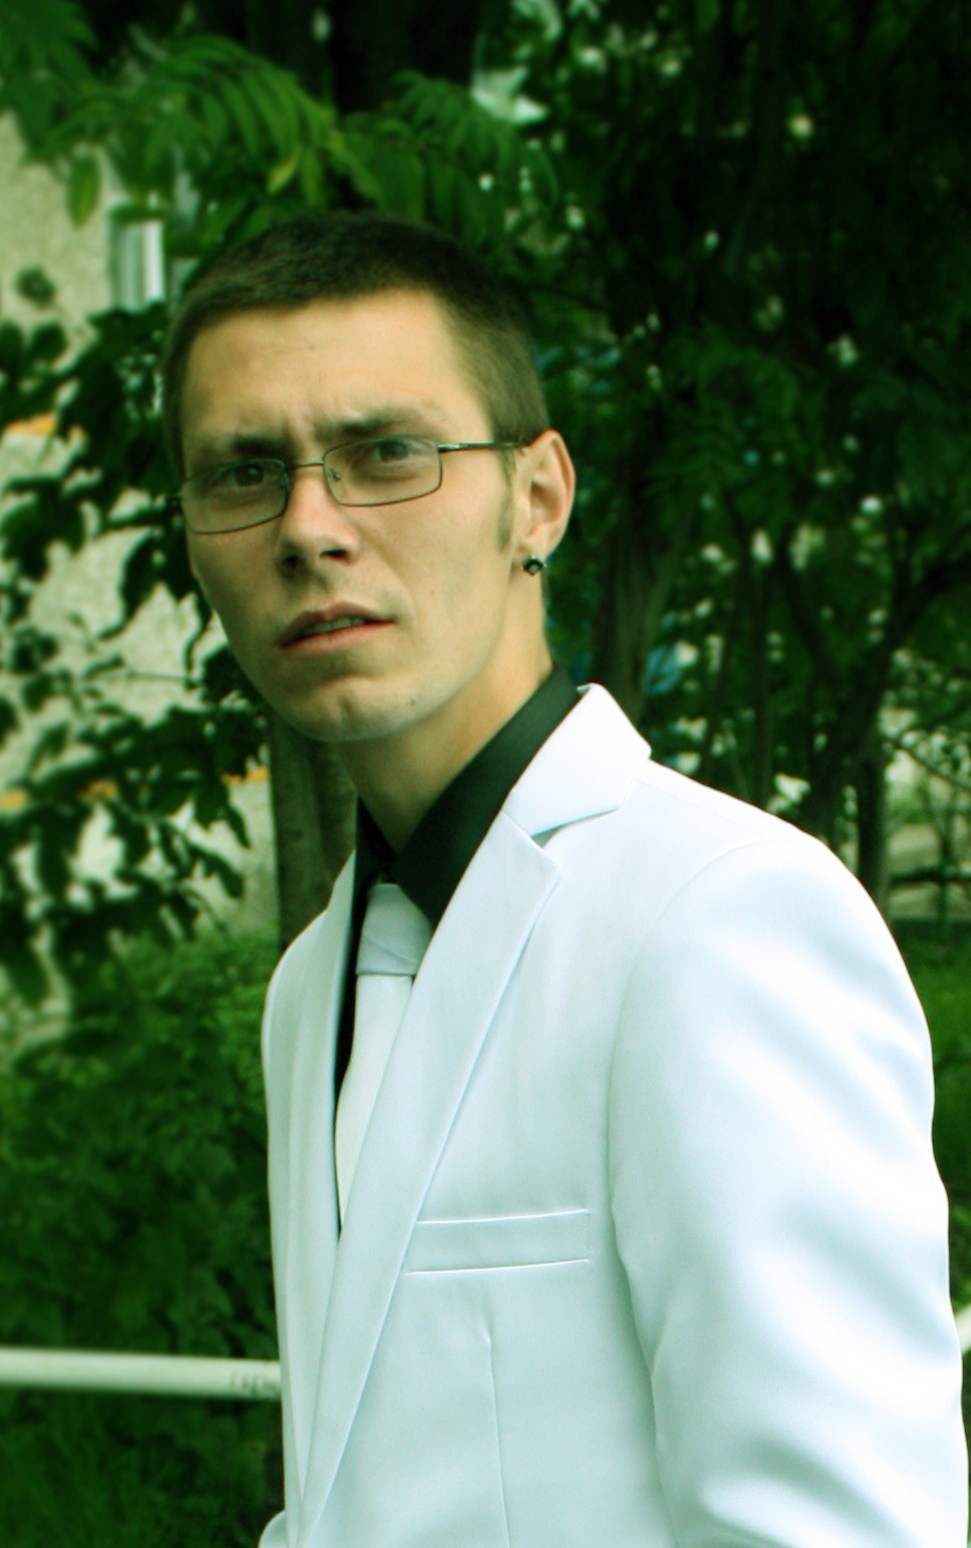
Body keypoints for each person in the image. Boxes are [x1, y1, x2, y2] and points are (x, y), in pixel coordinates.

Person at [161, 211, 967, 1547]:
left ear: (535, 498)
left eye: (385, 453)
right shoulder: (310, 985)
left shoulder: (718, 918)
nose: (308, 526)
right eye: (244, 471)